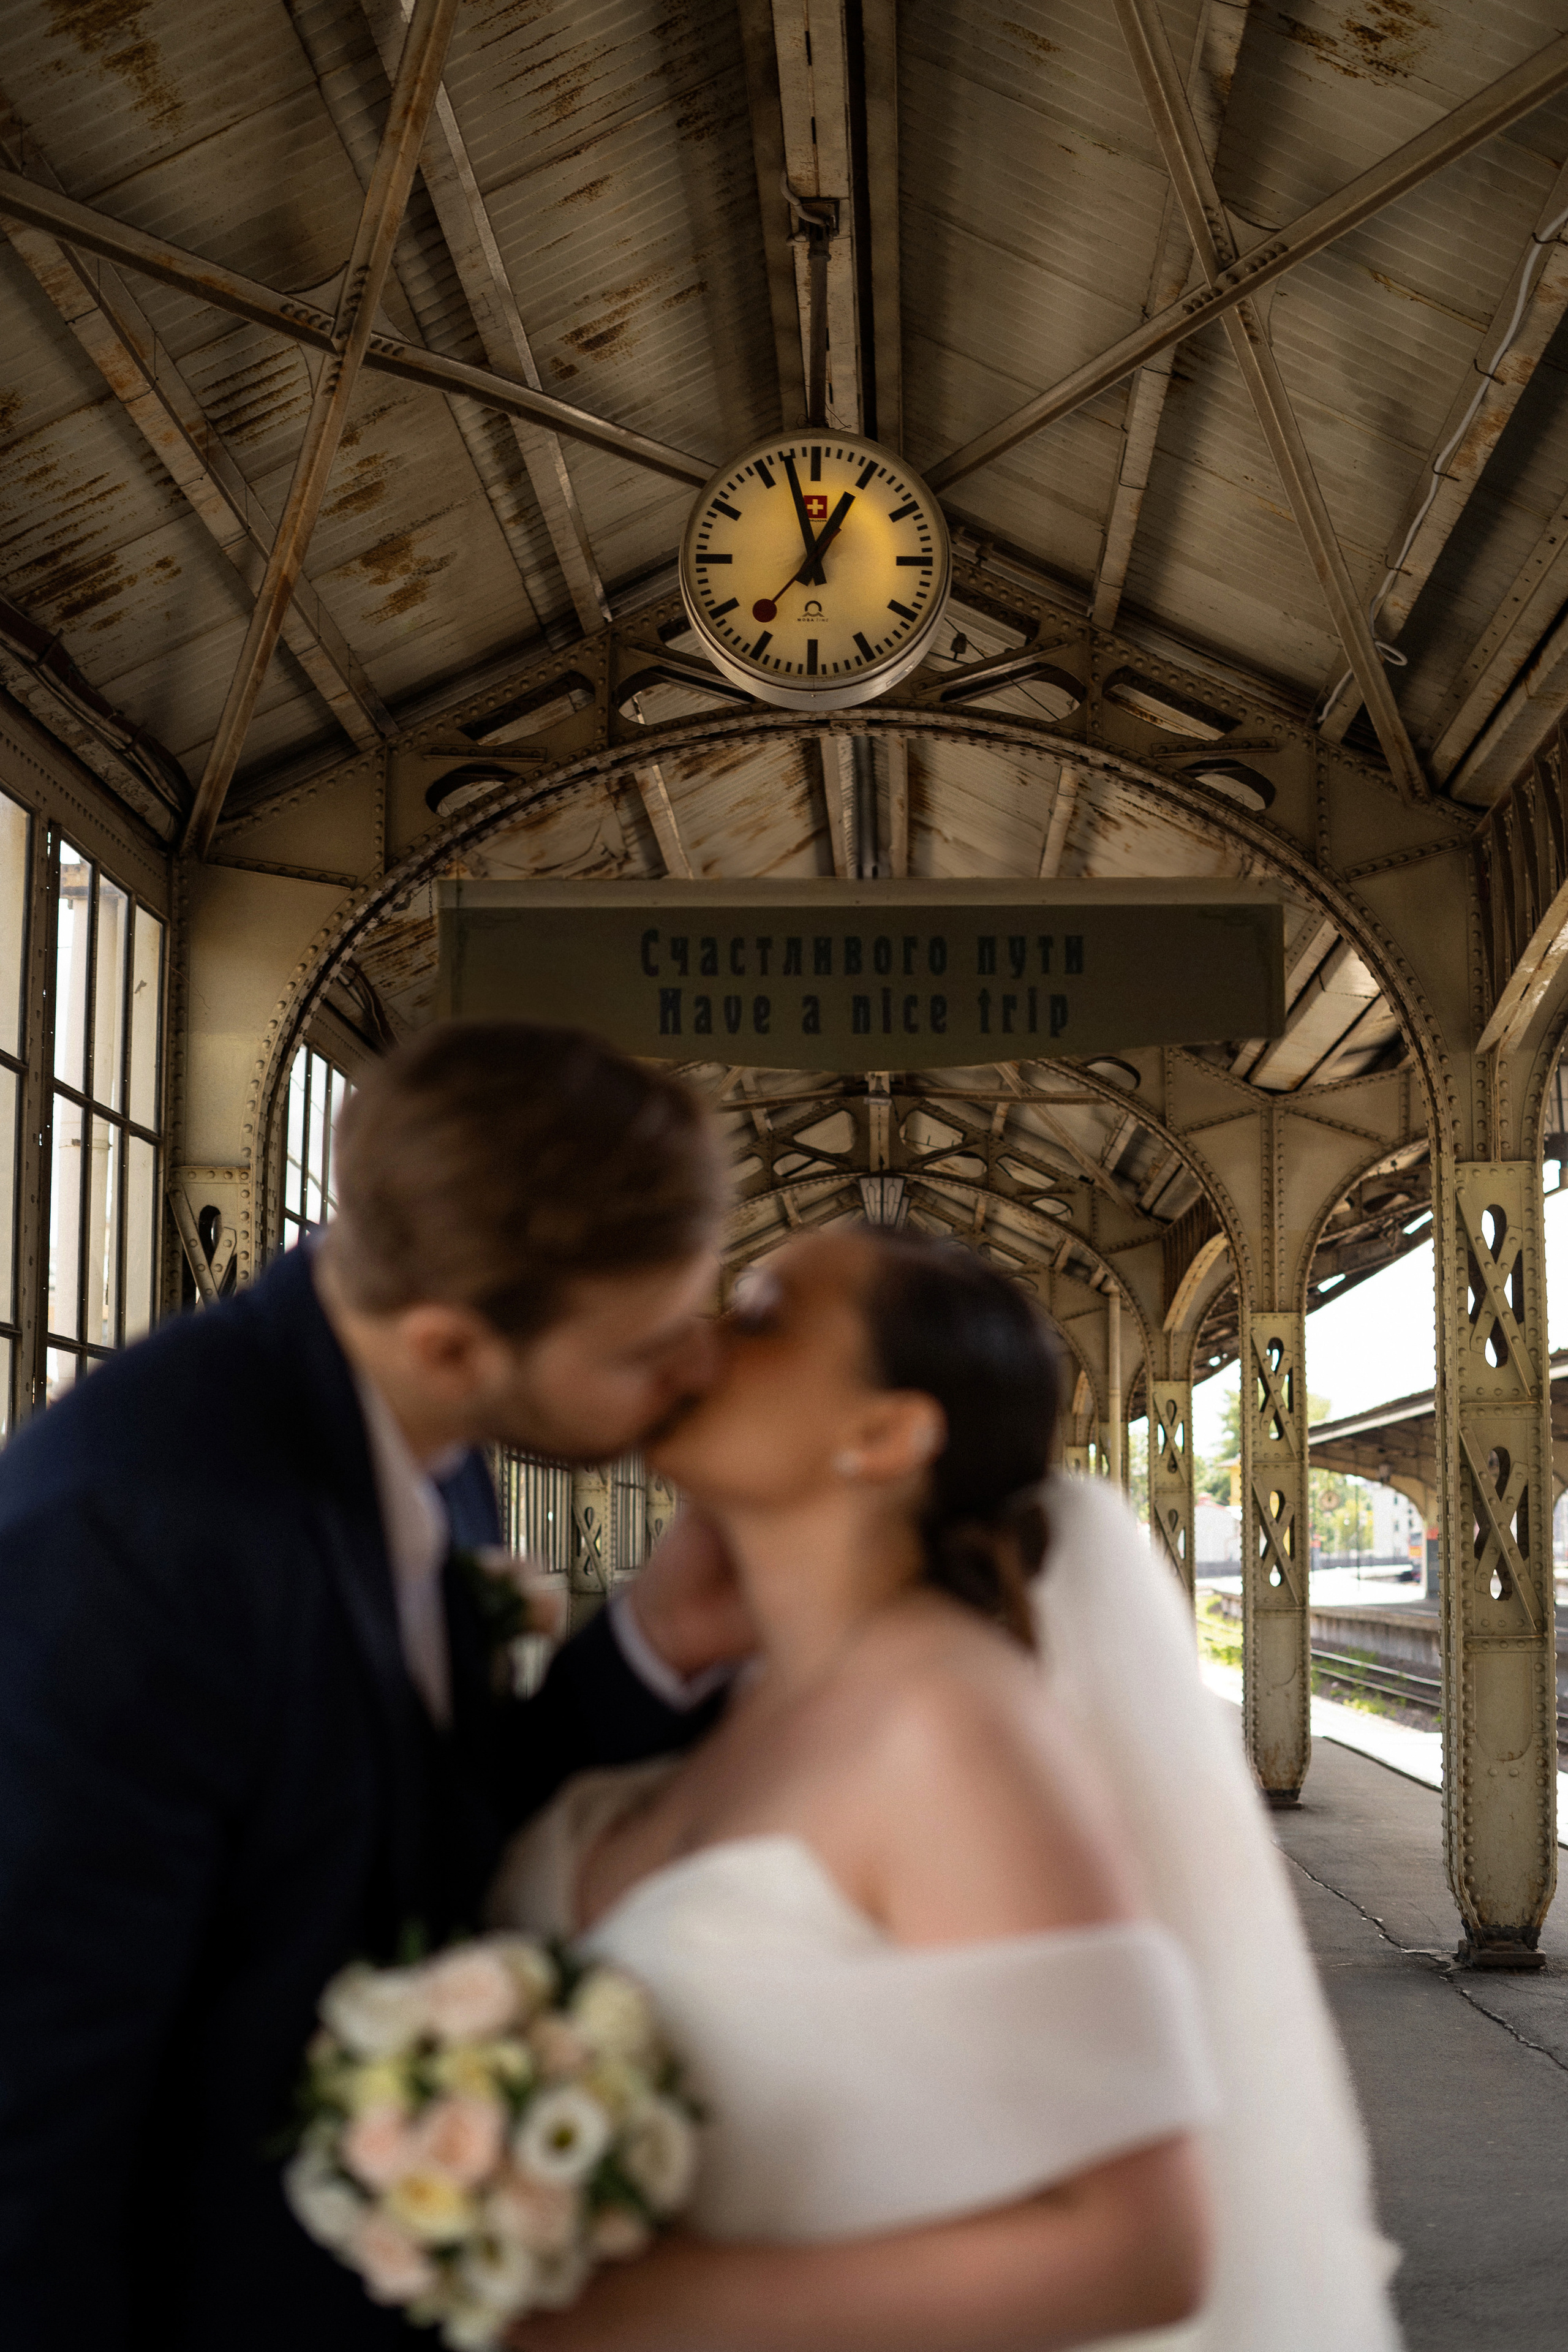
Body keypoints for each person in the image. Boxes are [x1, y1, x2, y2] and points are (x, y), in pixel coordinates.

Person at [491, 1227, 1403, 2352]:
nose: (699, 1341)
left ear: (884, 1434)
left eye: (763, 1318)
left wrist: (619, 2311)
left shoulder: (950, 1724)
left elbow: (1141, 2250)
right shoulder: (742, 1699)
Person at [0, 1022, 753, 2352]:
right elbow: (33, 2097)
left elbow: (403, 1821)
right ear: (454, 1343)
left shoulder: (433, 1439)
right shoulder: (128, 1536)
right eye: (648, 1345)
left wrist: (650, 1644)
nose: (696, 1367)